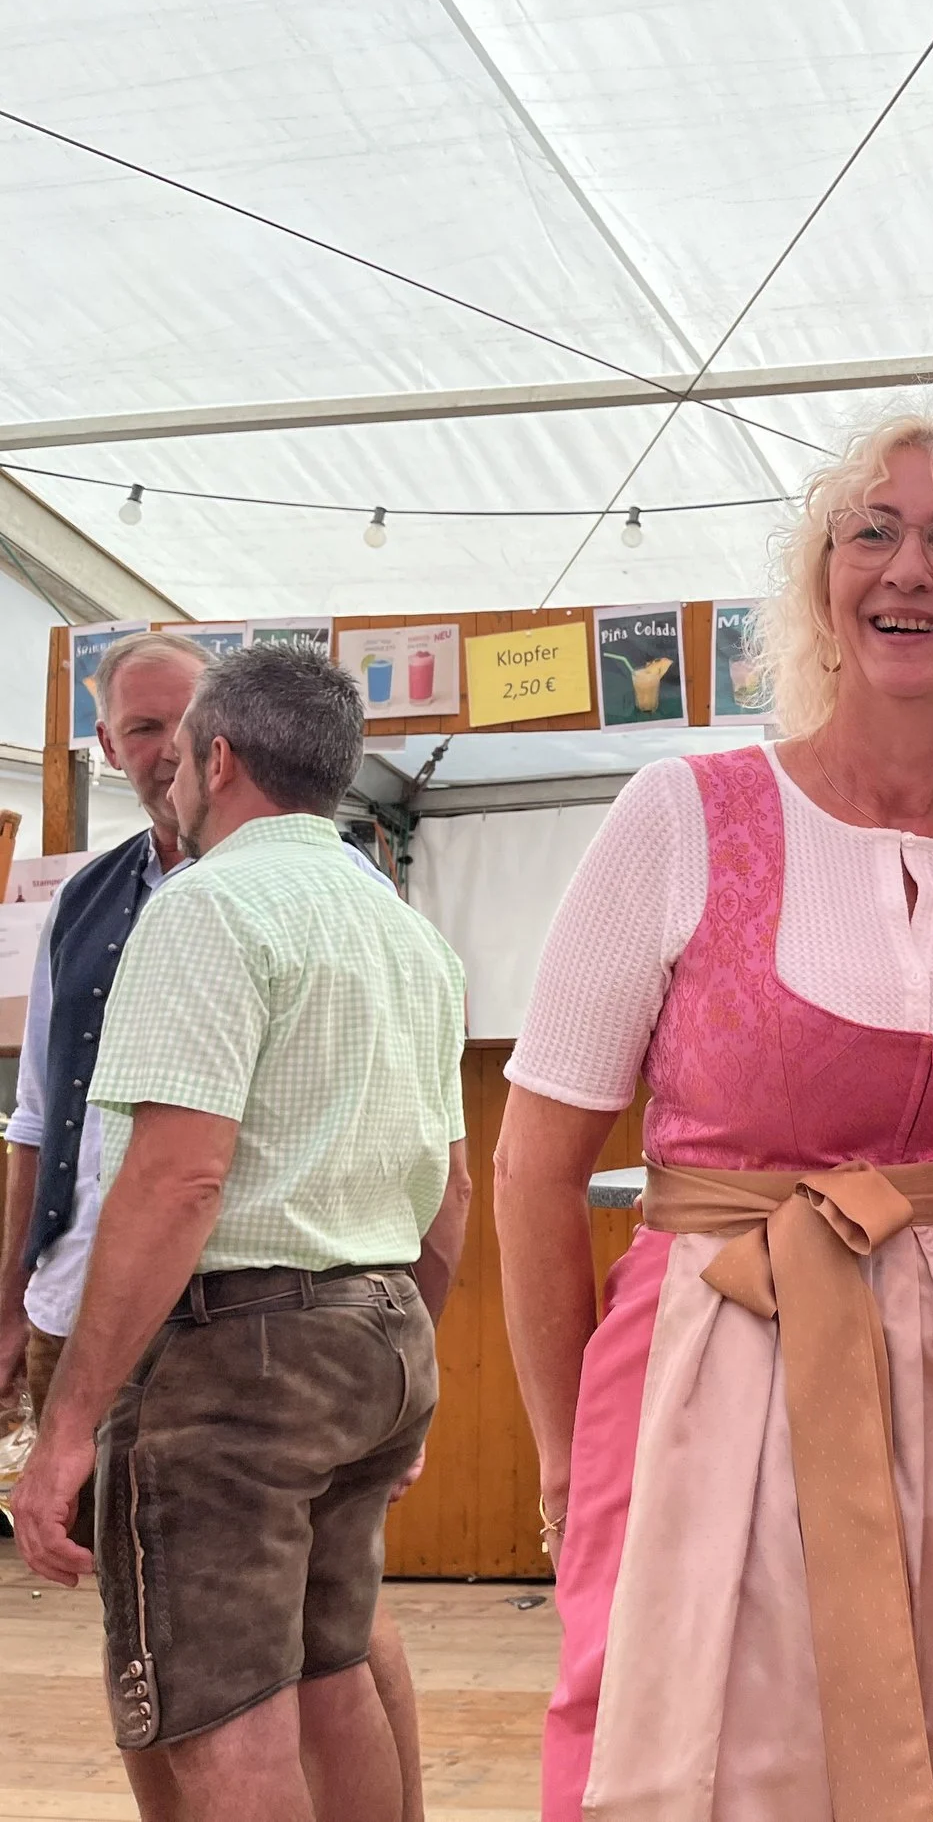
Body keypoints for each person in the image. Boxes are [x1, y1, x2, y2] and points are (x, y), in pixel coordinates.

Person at [497, 413, 933, 1821]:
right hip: (722, 1367)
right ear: (825, 584)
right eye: (871, 530)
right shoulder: (682, 814)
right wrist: (567, 1453)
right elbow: (532, 1166)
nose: (908, 567)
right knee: (726, 1747)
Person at [12, 642, 470, 1822]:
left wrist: (62, 1434)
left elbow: (174, 1186)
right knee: (330, 1675)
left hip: (235, 1356)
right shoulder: (406, 933)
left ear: (217, 758)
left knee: (222, 1714)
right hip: (375, 1328)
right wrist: (401, 1363)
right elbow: (451, 1192)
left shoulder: (205, 906)